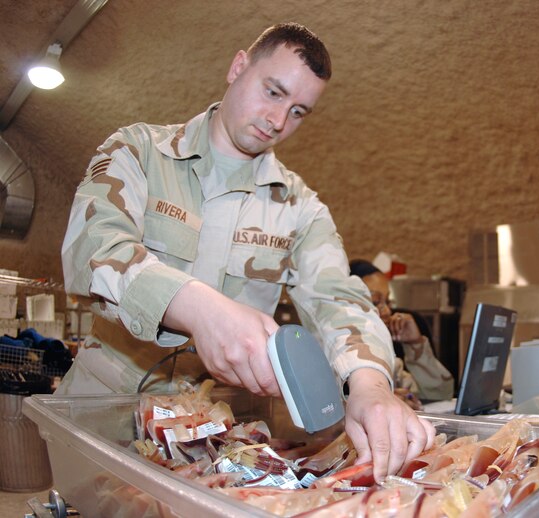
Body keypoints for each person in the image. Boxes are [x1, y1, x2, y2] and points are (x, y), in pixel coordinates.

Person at [59, 22, 434, 482]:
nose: (278, 121)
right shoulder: (139, 151)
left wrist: (371, 385)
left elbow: (339, 299)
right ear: (238, 67)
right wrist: (199, 309)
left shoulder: (300, 208)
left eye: (298, 111)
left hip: (220, 435)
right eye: (273, 92)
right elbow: (95, 249)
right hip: (108, 410)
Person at [349, 260, 454, 402]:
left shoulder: (388, 358)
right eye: (375, 302)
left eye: (388, 301)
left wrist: (415, 344)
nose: (387, 311)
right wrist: (381, 400)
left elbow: (441, 395)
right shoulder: (333, 356)